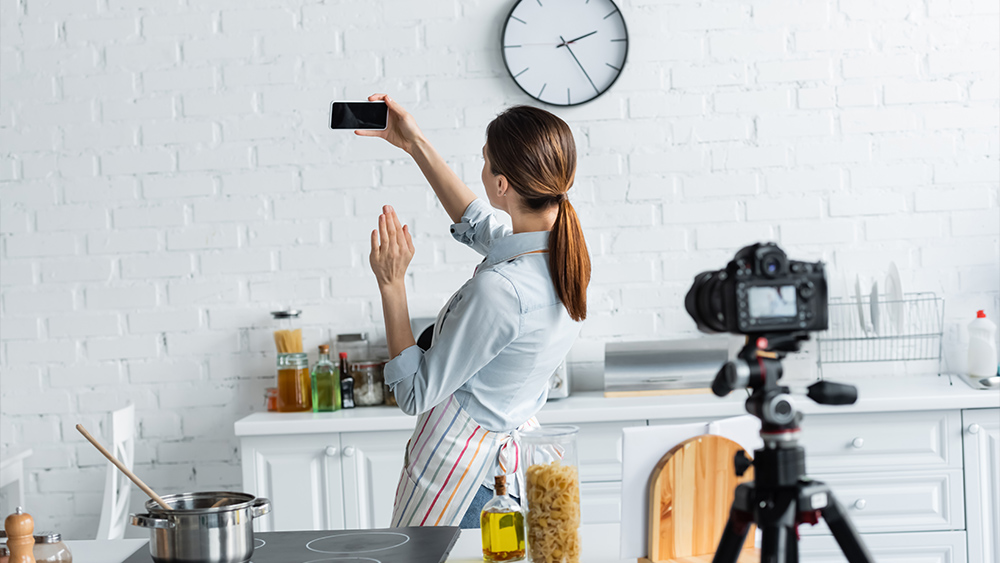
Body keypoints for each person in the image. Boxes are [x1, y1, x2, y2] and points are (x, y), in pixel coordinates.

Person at [360, 93, 590, 528]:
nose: (480, 170)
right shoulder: (561, 255)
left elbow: (414, 392)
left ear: (502, 185)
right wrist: (413, 143)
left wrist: (391, 284)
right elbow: (478, 222)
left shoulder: (502, 291)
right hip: (502, 473)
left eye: (485, 162)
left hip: (465, 484)